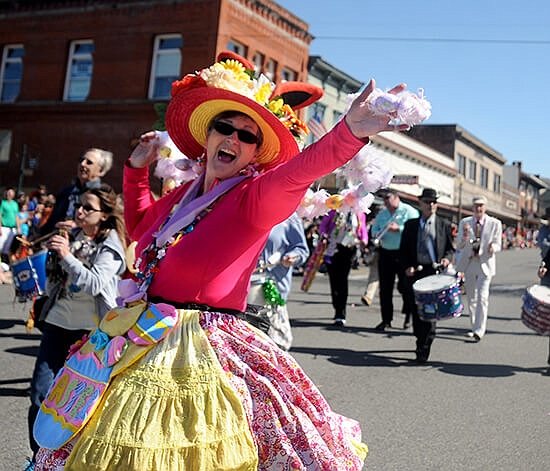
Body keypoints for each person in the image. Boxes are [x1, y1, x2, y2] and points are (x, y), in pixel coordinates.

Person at [33, 51, 409, 470]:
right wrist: (136, 170)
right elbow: (139, 228)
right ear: (207, 135)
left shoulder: (256, 197)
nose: (232, 139)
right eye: (223, 127)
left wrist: (350, 132)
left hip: (202, 339)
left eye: (246, 136)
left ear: (255, 153)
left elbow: (302, 170)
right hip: (141, 327)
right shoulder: (185, 193)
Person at [27, 183, 127, 460]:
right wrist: (53, 257)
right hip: (57, 323)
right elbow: (54, 282)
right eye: (78, 206)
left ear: (104, 214)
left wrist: (66, 255)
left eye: (88, 208)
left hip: (92, 333)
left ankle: (68, 460)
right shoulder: (72, 235)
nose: (80, 211)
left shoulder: (112, 245)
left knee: (79, 403)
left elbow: (95, 283)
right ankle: (38, 459)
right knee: (40, 393)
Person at [399, 188, 455, 362]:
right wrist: (407, 266)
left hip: (434, 272)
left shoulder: (443, 224)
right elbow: (404, 251)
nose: (431, 205)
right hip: (416, 271)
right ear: (420, 203)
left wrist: (446, 259)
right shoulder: (411, 225)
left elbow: (449, 250)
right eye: (427, 202)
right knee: (417, 310)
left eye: (433, 202)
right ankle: (419, 340)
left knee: (431, 312)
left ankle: (425, 345)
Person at [254, 211, 309, 350]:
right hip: (244, 286)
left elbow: (301, 249)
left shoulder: (290, 216)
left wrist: (292, 256)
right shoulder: (249, 209)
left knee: (276, 343)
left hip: (274, 286)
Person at [370, 188, 419, 331]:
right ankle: (386, 319)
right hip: (386, 252)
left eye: (388, 197)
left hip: (404, 253)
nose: (385, 201)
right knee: (385, 287)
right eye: (383, 198)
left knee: (406, 286)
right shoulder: (382, 214)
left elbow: (415, 231)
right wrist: (377, 234)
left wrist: (399, 228)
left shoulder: (409, 211)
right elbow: (374, 230)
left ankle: (409, 315)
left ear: (397, 197)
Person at [456, 195, 502, 341]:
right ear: (473, 207)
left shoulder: (495, 223)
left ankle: (480, 330)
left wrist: (493, 247)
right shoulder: (465, 222)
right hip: (470, 262)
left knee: (483, 297)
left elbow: (498, 243)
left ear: (485, 207)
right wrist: (464, 237)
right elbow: (459, 245)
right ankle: (474, 326)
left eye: (481, 206)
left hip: (485, 263)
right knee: (471, 298)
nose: (478, 208)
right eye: (476, 206)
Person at [39, 148, 113, 236]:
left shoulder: (104, 195)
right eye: (81, 160)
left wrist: (78, 226)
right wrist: (37, 237)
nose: (82, 164)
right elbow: (52, 222)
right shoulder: (65, 192)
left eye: (89, 162)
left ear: (101, 170)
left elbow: (108, 227)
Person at [321, 209, 368, 326]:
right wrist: (324, 235)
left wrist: (364, 240)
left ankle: (340, 313)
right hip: (333, 248)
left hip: (348, 248)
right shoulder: (334, 212)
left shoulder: (358, 213)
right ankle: (336, 305)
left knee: (343, 281)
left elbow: (363, 230)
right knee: (334, 280)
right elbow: (323, 226)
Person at [0, 187, 19, 258]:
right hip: (4, 227)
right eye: (8, 193)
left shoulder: (15, 204)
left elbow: (16, 216)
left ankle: (4, 261)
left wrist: (18, 227)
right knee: (1, 245)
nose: (9, 194)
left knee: (7, 247)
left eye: (10, 193)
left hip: (12, 228)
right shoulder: (3, 203)